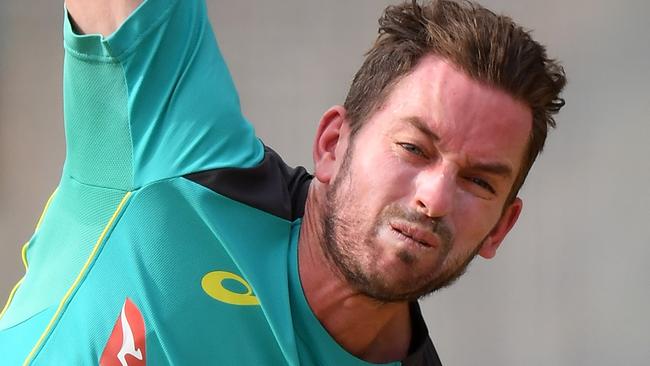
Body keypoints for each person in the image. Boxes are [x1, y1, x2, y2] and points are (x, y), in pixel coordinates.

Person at [0, 0, 565, 364]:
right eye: (413, 148)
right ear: (331, 145)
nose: (435, 197)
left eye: (478, 183)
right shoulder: (175, 152)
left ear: (500, 229)